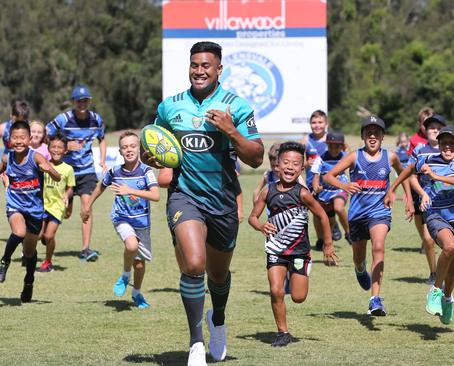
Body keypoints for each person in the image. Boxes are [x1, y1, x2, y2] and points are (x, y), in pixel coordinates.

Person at [149, 41, 264, 365]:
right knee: (195, 264)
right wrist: (151, 157)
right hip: (185, 197)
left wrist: (230, 131)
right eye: (195, 65)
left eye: (206, 66)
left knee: (218, 276)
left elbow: (256, 157)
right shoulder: (170, 107)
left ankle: (219, 319)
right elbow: (156, 145)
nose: (199, 71)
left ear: (219, 70)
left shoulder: (236, 106)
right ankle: (195, 342)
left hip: (224, 201)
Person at [385, 125, 454, 324]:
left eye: (452, 143)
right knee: (449, 246)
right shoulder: (427, 158)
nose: (447, 147)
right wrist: (392, 188)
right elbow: (407, 170)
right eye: (444, 143)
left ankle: (447, 298)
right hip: (436, 215)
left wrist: (436, 177)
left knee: (453, 272)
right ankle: (435, 290)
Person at [249, 141, 336, 347]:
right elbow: (253, 217)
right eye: (286, 162)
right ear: (276, 165)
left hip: (299, 252)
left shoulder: (302, 193)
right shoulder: (268, 191)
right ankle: (283, 332)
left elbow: (322, 216)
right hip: (276, 249)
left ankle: (301, 271)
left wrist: (328, 244)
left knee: (298, 297)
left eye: (296, 164)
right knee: (276, 291)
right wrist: (261, 226)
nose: (290, 167)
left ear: (302, 167)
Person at [323, 116, 409, 316]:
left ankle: (375, 299)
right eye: (368, 133)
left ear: (382, 136)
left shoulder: (391, 157)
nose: (372, 136)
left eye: (376, 132)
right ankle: (360, 268)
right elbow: (328, 176)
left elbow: (404, 174)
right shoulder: (354, 156)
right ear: (362, 136)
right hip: (357, 215)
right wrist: (345, 186)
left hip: (380, 212)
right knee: (358, 258)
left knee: (378, 247)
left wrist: (408, 198)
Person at [0, 121, 61, 302]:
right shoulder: (7, 158)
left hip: (35, 211)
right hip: (15, 206)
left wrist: (48, 169)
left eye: (22, 138)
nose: (18, 141)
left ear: (29, 139)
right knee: (18, 232)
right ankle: (4, 261)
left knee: (28, 253)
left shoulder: (36, 158)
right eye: (15, 138)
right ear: (9, 139)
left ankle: (29, 281)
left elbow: (57, 177)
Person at [82, 131, 160, 309]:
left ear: (139, 148)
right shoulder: (115, 171)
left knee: (139, 265)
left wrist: (130, 191)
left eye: (133, 146)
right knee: (131, 245)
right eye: (125, 147)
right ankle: (125, 275)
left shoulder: (146, 171)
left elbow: (155, 196)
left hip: (142, 223)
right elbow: (101, 186)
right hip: (121, 218)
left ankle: (136, 292)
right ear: (120, 151)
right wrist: (88, 205)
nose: (129, 150)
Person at [46, 84, 107, 262]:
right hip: (66, 171)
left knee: (87, 207)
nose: (82, 103)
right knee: (66, 212)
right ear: (73, 102)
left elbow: (102, 139)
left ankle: (85, 249)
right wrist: (64, 145)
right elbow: (46, 133)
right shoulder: (63, 118)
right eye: (79, 101)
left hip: (87, 170)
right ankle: (68, 204)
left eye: (85, 100)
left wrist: (102, 159)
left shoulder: (96, 119)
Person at [407, 115, 447, 285]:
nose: (435, 130)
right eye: (431, 128)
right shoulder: (420, 150)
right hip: (426, 201)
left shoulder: (448, 149)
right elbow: (410, 175)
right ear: (425, 130)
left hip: (447, 200)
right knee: (428, 239)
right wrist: (419, 194)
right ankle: (434, 273)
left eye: (438, 128)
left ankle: (446, 272)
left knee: (449, 242)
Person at [37, 133, 76, 273]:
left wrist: (67, 195)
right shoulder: (43, 165)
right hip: (41, 204)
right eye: (53, 147)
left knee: (49, 235)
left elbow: (71, 187)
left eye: (60, 147)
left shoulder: (68, 169)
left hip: (57, 206)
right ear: (48, 148)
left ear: (65, 150)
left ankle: (48, 262)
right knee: (39, 235)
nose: (56, 150)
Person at [301, 110, 337, 249]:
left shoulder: (332, 139)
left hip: (330, 183)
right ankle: (321, 239)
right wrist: (306, 164)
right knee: (316, 212)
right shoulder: (306, 140)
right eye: (314, 122)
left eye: (320, 122)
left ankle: (333, 228)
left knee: (331, 212)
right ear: (310, 124)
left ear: (326, 124)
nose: (317, 125)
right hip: (312, 183)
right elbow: (300, 161)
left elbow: (345, 155)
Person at [311, 131, 352, 245]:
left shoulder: (346, 157)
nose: (334, 149)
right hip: (325, 192)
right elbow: (316, 176)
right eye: (331, 146)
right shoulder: (320, 158)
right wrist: (316, 187)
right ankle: (323, 239)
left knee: (338, 208)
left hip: (340, 188)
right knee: (321, 215)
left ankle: (349, 233)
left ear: (342, 146)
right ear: (327, 145)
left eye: (337, 146)